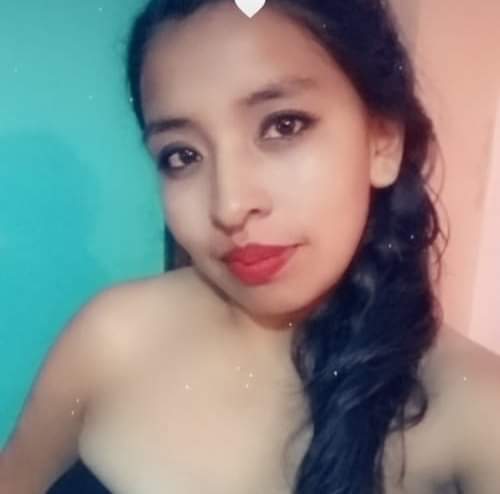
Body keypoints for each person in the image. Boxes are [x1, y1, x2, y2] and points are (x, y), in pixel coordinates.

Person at [2, 0, 500, 493]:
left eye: (283, 125)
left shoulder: (477, 417)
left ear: (382, 141)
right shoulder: (112, 339)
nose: (230, 205)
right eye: (182, 155)